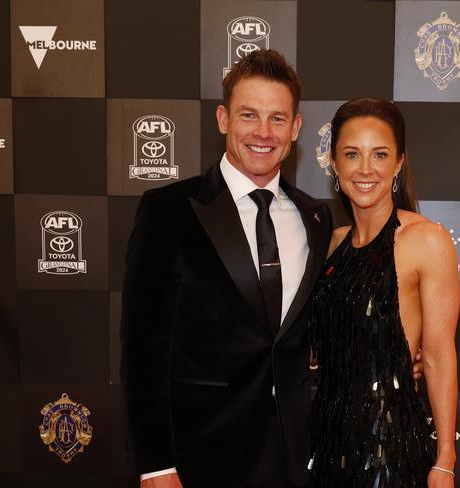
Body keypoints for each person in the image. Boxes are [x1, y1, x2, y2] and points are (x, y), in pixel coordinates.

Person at [120, 49, 333, 488]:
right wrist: (156, 465)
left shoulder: (316, 218)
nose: (263, 132)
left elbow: (312, 328)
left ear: (296, 128)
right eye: (248, 115)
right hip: (201, 460)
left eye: (277, 119)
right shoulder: (168, 211)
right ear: (222, 119)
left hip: (295, 459)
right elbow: (142, 352)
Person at [307, 98, 459, 487]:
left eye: (380, 154)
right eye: (352, 154)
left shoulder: (426, 240)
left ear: (398, 163)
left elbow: (439, 356)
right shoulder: (329, 244)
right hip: (324, 445)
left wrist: (445, 461)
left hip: (389, 450)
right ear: (335, 164)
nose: (365, 169)